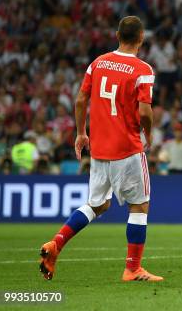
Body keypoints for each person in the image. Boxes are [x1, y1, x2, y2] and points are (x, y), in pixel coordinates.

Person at [39, 16, 162, 282]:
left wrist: (82, 132)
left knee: (98, 204)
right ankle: (132, 268)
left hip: (100, 149)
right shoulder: (143, 69)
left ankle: (56, 244)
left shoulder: (98, 63)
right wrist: (148, 134)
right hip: (127, 148)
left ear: (117, 35)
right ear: (141, 38)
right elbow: (145, 111)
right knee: (140, 205)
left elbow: (81, 97)